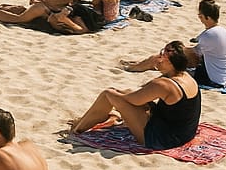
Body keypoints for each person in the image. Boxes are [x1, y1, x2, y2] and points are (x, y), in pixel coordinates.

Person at [70, 41, 201, 150]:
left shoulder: (164, 85)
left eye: (161, 54)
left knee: (108, 94)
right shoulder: (185, 77)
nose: (157, 57)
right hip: (183, 133)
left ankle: (77, 130)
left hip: (162, 139)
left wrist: (119, 98)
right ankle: (90, 119)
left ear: (169, 62)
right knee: (121, 92)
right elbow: (144, 90)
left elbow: (133, 100)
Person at [127, 0, 226, 87]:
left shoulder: (208, 35)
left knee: (165, 59)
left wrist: (175, 50)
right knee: (169, 57)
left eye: (200, 16)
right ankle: (137, 65)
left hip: (213, 78)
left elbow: (192, 56)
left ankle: (133, 68)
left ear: (204, 17)